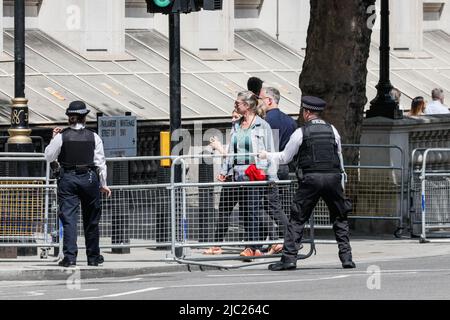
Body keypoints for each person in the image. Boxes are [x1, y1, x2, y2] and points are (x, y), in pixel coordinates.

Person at [259, 96, 356, 270]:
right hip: (333, 178)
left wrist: (267, 155)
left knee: (297, 219)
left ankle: (289, 259)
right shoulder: (332, 130)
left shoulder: (301, 132)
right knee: (340, 218)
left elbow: (285, 157)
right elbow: (339, 156)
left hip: (311, 179)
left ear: (307, 112)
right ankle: (347, 258)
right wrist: (341, 183)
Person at [45, 101, 111, 267]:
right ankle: (94, 257)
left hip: (68, 178)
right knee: (92, 220)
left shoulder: (61, 137)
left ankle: (70, 257)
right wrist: (103, 183)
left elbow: (49, 156)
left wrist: (54, 138)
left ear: (69, 118)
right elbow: (100, 162)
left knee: (69, 219)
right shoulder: (94, 137)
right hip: (89, 178)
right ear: (85, 118)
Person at [218, 90, 277, 259]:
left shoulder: (262, 125)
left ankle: (252, 247)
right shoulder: (236, 125)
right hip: (238, 173)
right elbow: (231, 151)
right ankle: (255, 246)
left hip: (255, 172)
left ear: (248, 105)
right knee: (245, 211)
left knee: (252, 210)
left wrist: (272, 177)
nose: (235, 104)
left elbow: (270, 151)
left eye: (238, 102)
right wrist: (224, 171)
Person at [259, 87, 297, 255]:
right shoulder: (290, 121)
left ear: (269, 100)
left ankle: (284, 239)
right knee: (277, 205)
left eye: (260, 99)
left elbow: (269, 147)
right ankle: (273, 241)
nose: (258, 102)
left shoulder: (266, 120)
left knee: (267, 205)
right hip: (285, 166)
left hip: (271, 166)